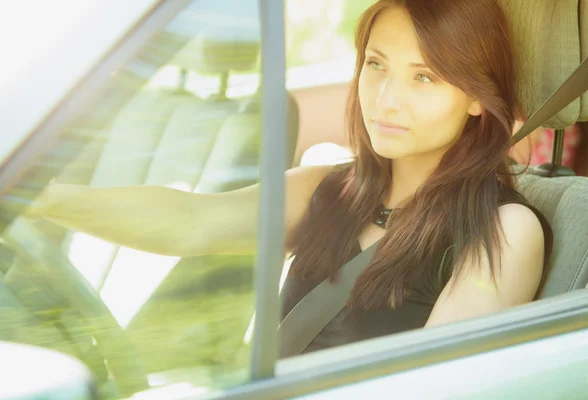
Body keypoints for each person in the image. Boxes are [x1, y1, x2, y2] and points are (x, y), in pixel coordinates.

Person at [27, 0, 552, 357]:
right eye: (375, 64)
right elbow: (190, 222)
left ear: (478, 99)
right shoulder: (330, 190)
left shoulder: (501, 231)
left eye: (424, 77)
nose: (386, 99)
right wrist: (38, 198)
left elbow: (430, 385)